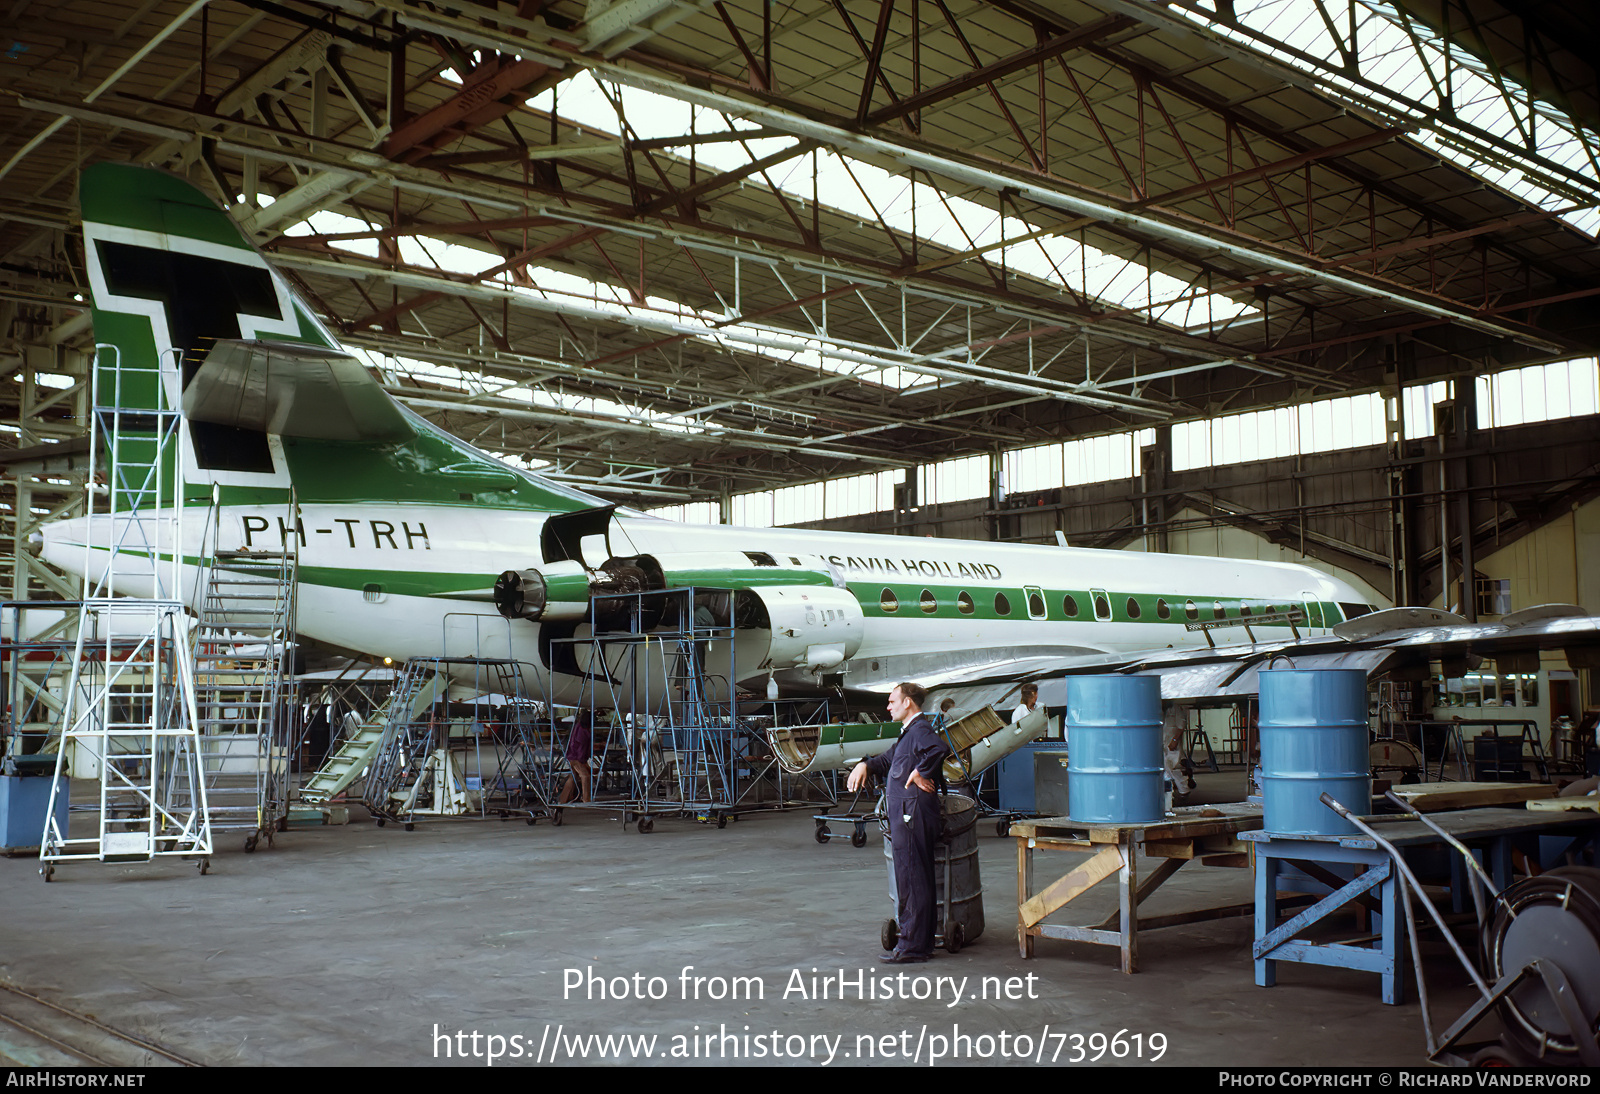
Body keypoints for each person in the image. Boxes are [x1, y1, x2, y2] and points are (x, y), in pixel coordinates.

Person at [847, 682, 949, 964]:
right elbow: (887, 759)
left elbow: (938, 748)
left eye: (893, 701)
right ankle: (918, 942)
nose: (888, 706)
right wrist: (865, 764)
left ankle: (913, 947)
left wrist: (920, 772)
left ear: (908, 703)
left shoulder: (920, 730)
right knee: (912, 877)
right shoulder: (909, 735)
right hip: (908, 813)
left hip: (913, 814)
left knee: (912, 879)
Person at [558, 714, 592, 804]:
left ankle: (563, 799)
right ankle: (586, 799)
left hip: (573, 756)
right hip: (576, 757)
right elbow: (581, 747)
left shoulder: (578, 727)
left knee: (573, 777)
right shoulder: (583, 731)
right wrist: (583, 761)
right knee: (585, 776)